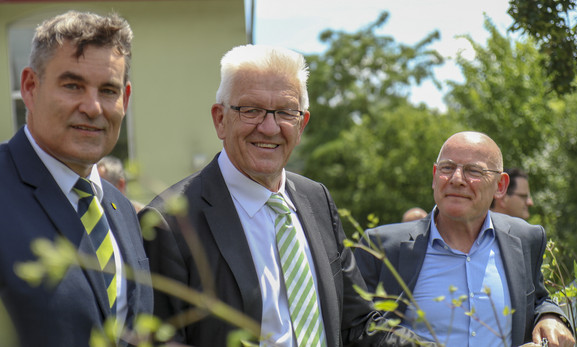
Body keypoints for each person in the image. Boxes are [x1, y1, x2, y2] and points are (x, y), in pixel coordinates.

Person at [140, 44, 432, 346]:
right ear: (220, 119)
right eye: (251, 110)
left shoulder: (316, 199)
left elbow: (356, 324)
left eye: (285, 112)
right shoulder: (171, 223)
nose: (269, 128)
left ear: (302, 124)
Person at [0, 11, 153, 346]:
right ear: (30, 87)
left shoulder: (122, 210)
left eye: (108, 90)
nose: (93, 107)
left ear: (124, 100)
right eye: (73, 85)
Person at [354, 132, 575, 347]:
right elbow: (359, 328)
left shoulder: (525, 239)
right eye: (447, 168)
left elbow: (537, 299)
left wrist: (551, 317)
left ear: (500, 186)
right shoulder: (382, 247)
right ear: (434, 176)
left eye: (473, 171)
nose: (457, 179)